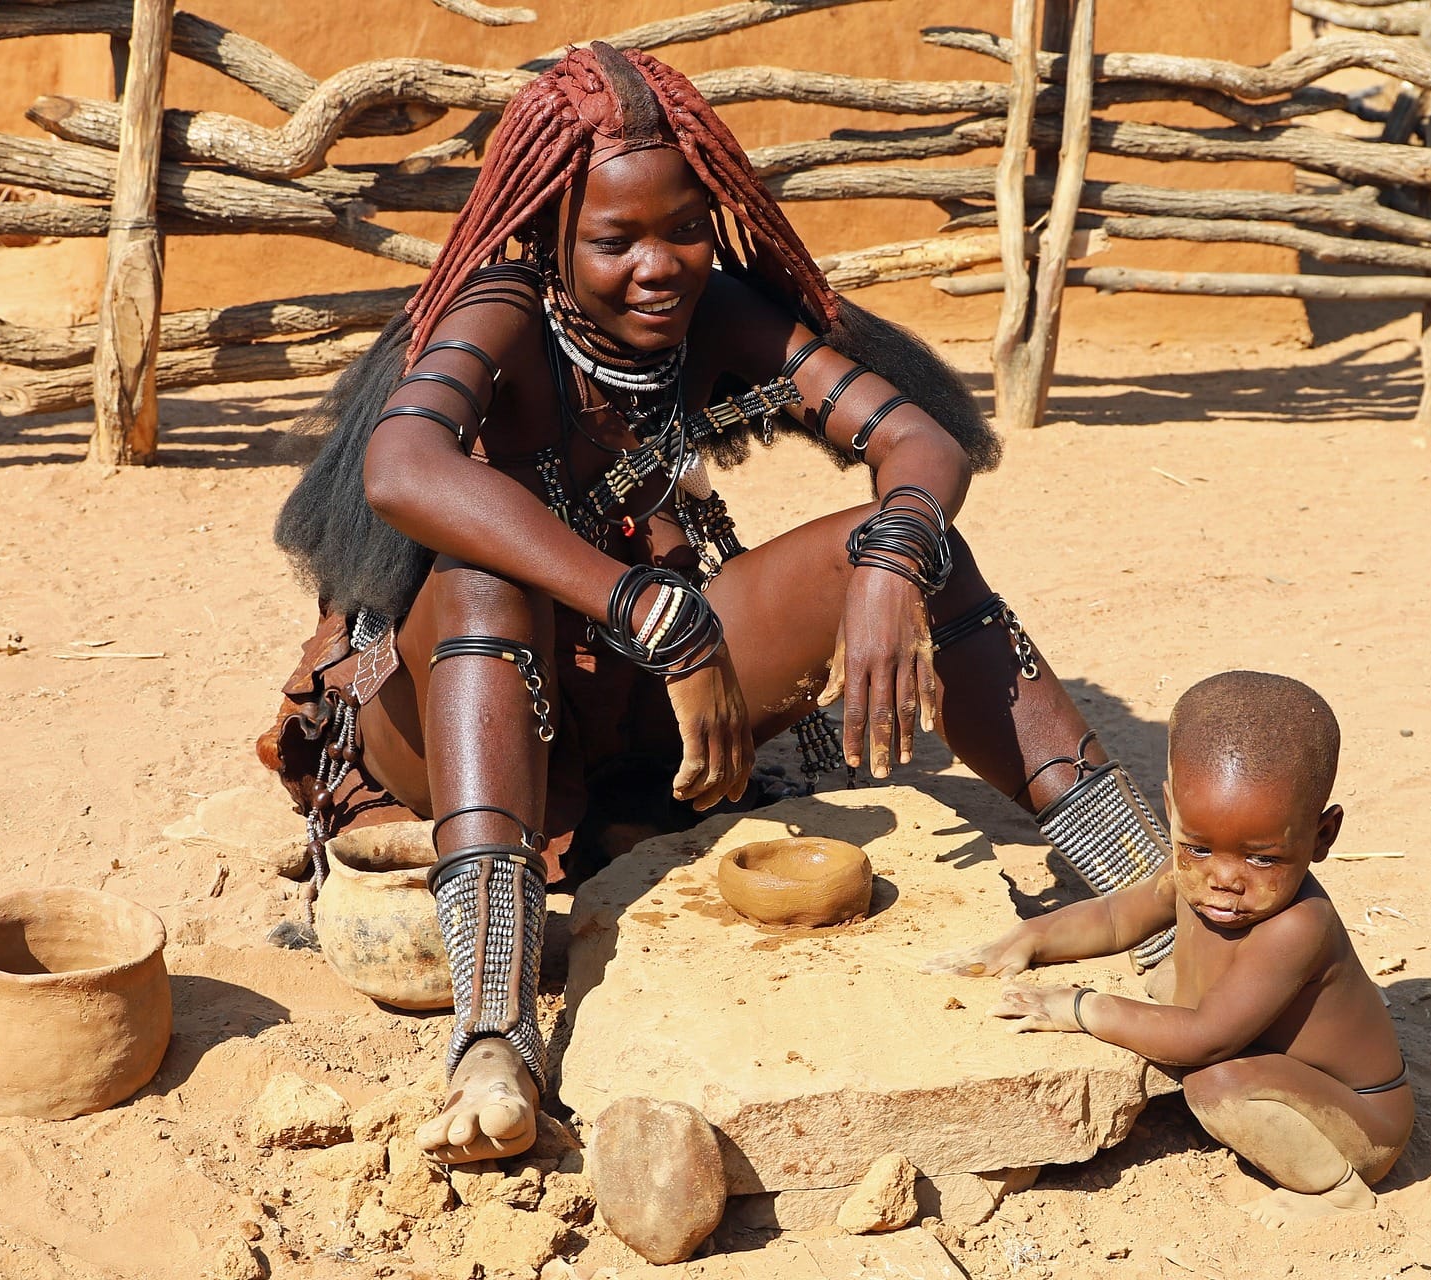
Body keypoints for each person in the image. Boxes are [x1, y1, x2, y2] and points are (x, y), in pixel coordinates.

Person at [262, 41, 1174, 1166]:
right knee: (481, 572)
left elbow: (918, 438)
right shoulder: (497, 310)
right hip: (459, 719)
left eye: (685, 227)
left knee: (912, 537)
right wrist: (646, 604)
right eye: (615, 240)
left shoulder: (723, 319)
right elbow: (402, 467)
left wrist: (892, 557)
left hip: (650, 719)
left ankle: (1154, 888)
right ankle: (495, 1038)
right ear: (552, 235)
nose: (661, 265)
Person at [927, 671, 1413, 1227]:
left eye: (1262, 859)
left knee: (1214, 1081)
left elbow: (1206, 1041)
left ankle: (1333, 1193)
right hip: (1276, 1068)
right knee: (1163, 979)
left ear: (1322, 836)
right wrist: (1032, 938)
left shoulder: (1296, 927)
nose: (1223, 878)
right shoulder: (1195, 873)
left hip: (1355, 1121)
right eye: (1197, 846)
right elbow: (1115, 918)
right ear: (1173, 810)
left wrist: (1081, 1007)